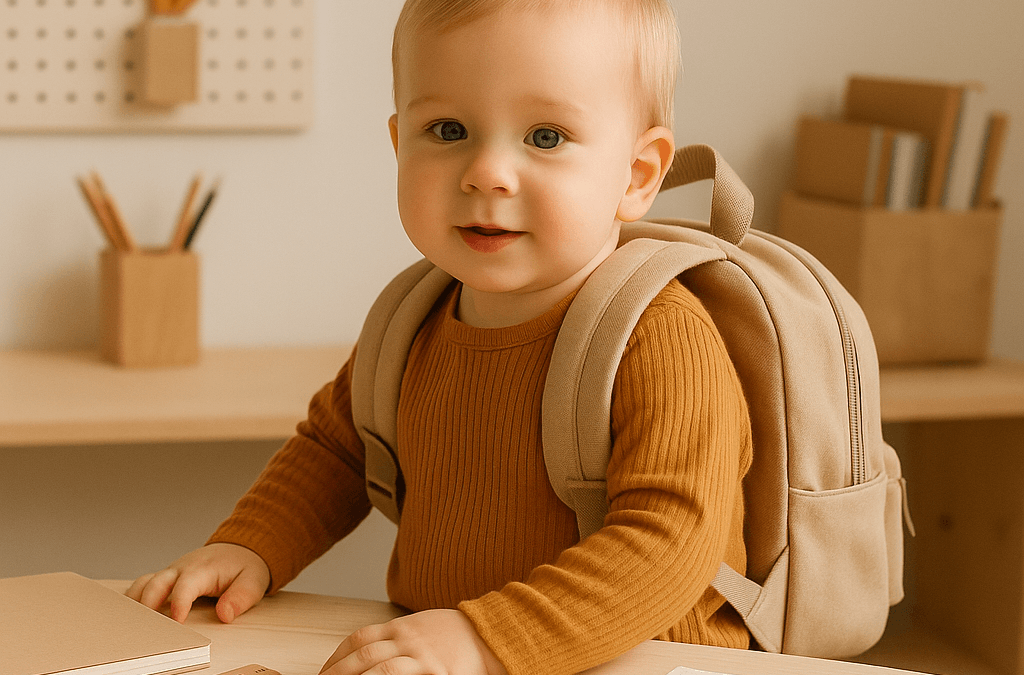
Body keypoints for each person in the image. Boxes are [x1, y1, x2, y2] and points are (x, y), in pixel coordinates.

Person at [127, 1, 753, 673]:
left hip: (649, 660)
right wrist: (250, 546)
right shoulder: (411, 321)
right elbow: (336, 450)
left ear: (638, 174)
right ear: (400, 144)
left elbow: (668, 545)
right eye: (448, 128)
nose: (486, 171)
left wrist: (487, 638)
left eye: (545, 136)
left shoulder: (661, 338)